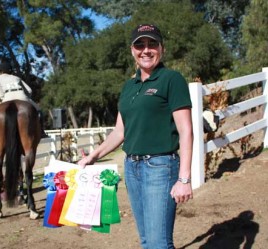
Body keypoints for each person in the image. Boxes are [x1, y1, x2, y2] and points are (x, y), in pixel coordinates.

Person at [78, 24, 193, 249]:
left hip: (160, 167)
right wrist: (92, 156)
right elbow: (120, 132)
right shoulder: (129, 87)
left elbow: (186, 130)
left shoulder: (171, 79)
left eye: (152, 44)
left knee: (159, 243)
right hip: (132, 168)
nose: (146, 50)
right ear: (132, 50)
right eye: (140, 44)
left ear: (162, 48)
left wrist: (184, 179)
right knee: (147, 241)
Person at [0, 60, 48, 138]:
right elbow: (29, 90)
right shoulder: (16, 77)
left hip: (7, 97)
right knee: (39, 111)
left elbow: (1, 94)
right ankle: (41, 132)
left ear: (2, 71)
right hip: (21, 96)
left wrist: (4, 98)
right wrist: (27, 97)